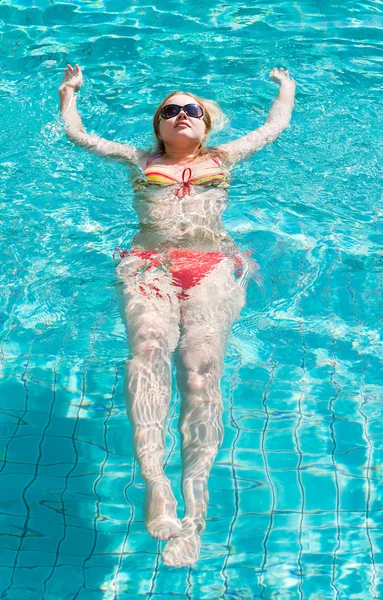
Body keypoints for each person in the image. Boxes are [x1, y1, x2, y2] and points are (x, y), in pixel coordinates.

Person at [58, 63, 295, 568]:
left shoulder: (225, 156)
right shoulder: (138, 159)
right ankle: (155, 484)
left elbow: (274, 128)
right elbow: (78, 136)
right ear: (158, 126)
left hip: (209, 264)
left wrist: (285, 89)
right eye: (171, 110)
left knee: (200, 370)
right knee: (147, 348)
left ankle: (196, 514)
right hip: (150, 264)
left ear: (205, 125)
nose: (181, 115)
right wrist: (69, 94)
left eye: (192, 110)